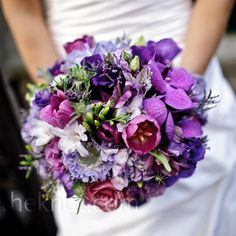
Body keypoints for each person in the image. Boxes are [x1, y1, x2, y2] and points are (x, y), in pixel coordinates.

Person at [2, 0, 236, 235]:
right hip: (79, 86)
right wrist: (64, 103)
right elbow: (25, 15)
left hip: (183, 69)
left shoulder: (181, 94)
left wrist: (178, 98)